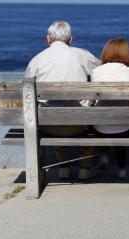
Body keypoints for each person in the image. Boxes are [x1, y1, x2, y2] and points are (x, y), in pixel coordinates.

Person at [24, 20, 101, 180]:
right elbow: (101, 71)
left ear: (48, 39)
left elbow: (27, 91)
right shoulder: (81, 55)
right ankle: (84, 169)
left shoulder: (37, 60)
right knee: (88, 111)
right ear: (70, 40)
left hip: (48, 126)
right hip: (79, 125)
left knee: (53, 109)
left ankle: (64, 167)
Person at [91, 38, 129, 179]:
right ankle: (122, 169)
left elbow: (92, 100)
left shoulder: (96, 72)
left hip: (100, 128)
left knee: (101, 120)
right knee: (122, 125)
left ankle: (104, 156)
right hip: (124, 128)